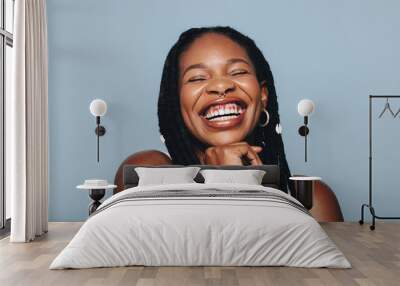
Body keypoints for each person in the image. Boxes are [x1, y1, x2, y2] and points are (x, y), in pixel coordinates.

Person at [117, 26, 343, 221]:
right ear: (176, 103)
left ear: (263, 95)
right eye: (197, 77)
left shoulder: (312, 198)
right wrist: (220, 177)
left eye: (238, 72)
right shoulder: (146, 171)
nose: (221, 86)